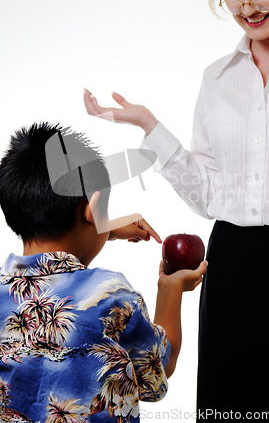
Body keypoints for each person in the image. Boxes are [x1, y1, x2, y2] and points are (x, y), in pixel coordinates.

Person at [83, 0, 269, 419]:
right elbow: (207, 196)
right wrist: (149, 125)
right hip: (233, 264)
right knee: (230, 407)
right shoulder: (217, 79)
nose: (249, 7)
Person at [0, 122, 208, 423]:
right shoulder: (110, 293)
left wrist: (101, 227)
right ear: (92, 208)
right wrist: (170, 289)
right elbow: (159, 368)